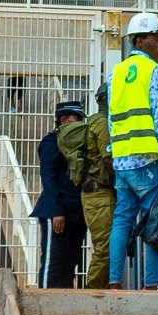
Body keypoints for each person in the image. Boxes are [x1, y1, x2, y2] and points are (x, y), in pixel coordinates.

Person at [107, 12, 158, 288]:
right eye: (156, 37)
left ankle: (114, 283)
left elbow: (112, 119)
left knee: (122, 219)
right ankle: (149, 285)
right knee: (153, 221)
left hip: (122, 159)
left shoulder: (116, 73)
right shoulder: (153, 71)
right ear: (139, 40)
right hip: (148, 158)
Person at [61, 82, 114, 290]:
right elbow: (108, 159)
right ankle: (93, 291)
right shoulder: (101, 123)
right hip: (99, 193)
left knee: (107, 245)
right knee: (105, 247)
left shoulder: (99, 121)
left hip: (99, 193)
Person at [34, 101, 87, 287]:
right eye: (74, 120)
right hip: (57, 212)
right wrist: (57, 211)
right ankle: (46, 309)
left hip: (78, 214)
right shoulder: (52, 143)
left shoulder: (82, 145)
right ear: (62, 120)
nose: (78, 125)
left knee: (69, 265)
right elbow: (48, 178)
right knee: (53, 264)